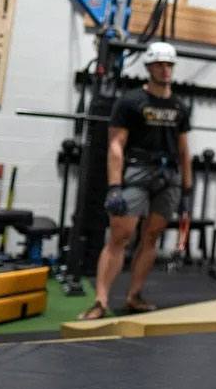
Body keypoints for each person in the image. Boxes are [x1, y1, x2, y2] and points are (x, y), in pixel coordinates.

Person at [79, 41, 192, 319]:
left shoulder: (179, 105)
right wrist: (115, 186)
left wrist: (187, 190)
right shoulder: (130, 101)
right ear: (149, 67)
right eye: (160, 64)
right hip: (137, 172)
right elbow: (116, 145)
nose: (165, 70)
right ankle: (101, 301)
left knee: (152, 236)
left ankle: (134, 295)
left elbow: (184, 150)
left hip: (168, 177)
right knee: (121, 235)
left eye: (169, 65)